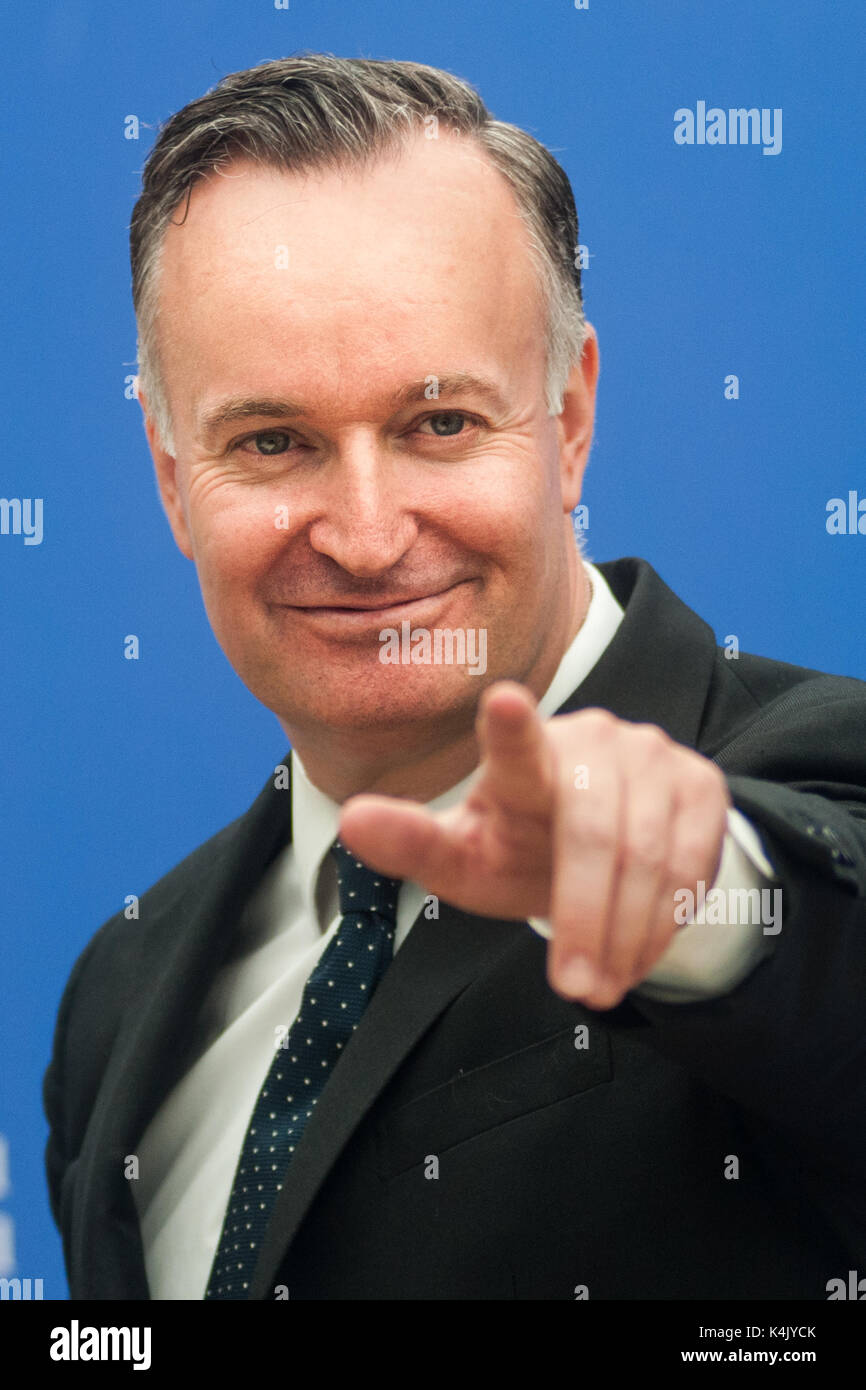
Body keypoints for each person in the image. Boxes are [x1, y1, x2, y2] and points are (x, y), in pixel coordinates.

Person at [44, 53, 866, 1301]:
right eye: (273, 442)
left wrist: (697, 897)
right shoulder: (118, 993)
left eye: (438, 425)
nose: (366, 536)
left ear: (569, 418)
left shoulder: (812, 782)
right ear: (171, 477)